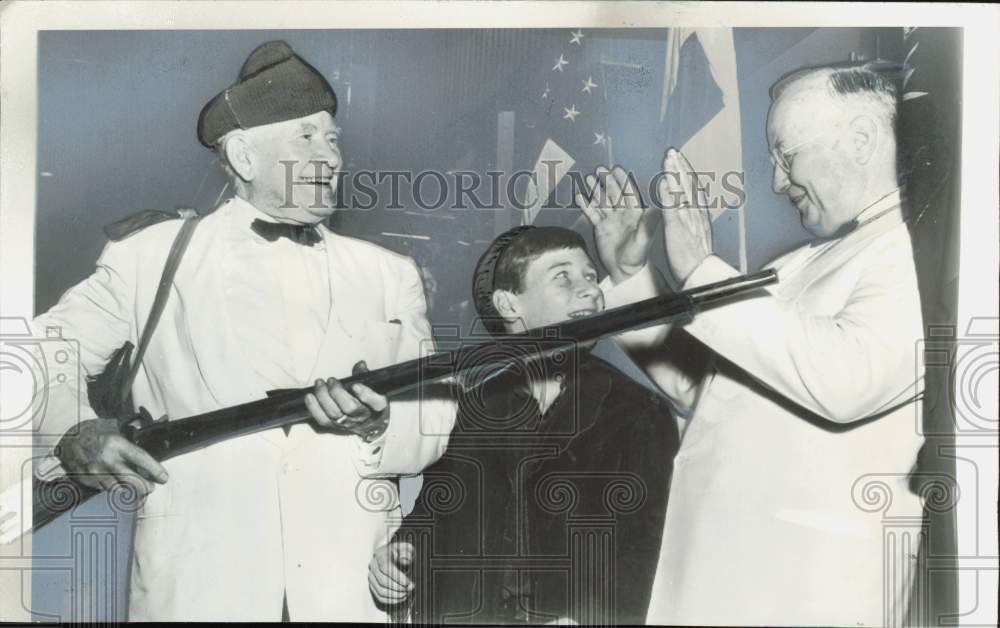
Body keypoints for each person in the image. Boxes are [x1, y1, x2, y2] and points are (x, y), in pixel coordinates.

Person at [31, 40, 456, 621]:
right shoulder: (151, 257)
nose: (331, 157)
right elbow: (41, 350)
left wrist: (384, 421)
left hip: (348, 583)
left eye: (333, 138)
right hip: (200, 579)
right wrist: (74, 429)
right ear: (244, 157)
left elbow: (435, 412)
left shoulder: (389, 273)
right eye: (304, 137)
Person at [577, 61, 927, 625]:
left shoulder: (915, 248)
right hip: (730, 571)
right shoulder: (801, 262)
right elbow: (708, 391)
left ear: (862, 139)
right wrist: (630, 275)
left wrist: (700, 272)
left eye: (787, 157)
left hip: (807, 584)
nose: (776, 183)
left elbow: (848, 380)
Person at [368, 225, 679, 624]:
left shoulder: (639, 411)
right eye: (562, 277)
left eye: (590, 275)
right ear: (509, 305)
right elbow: (437, 509)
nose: (591, 290)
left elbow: (650, 549)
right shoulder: (474, 403)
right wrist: (399, 554)